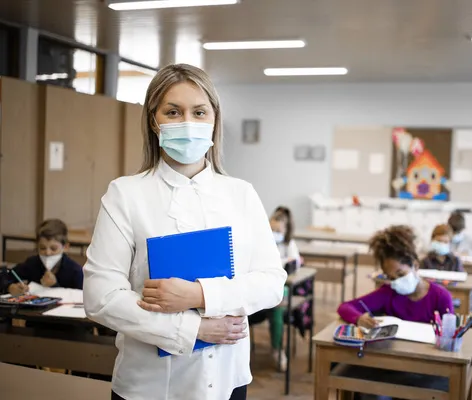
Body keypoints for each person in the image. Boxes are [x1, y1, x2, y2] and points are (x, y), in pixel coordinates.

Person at [83, 64, 287, 400]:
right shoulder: (126, 194)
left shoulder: (241, 193)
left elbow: (271, 283)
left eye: (199, 111)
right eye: (173, 112)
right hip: (148, 384)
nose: (188, 122)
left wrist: (199, 296)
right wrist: (192, 328)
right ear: (154, 120)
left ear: (214, 120)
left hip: (227, 378)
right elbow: (101, 297)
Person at [337, 225, 454, 399]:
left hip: (426, 368)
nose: (396, 281)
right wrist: (359, 318)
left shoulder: (440, 296)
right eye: (390, 277)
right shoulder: (389, 292)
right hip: (393, 364)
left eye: (400, 273)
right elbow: (345, 307)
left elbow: (449, 340)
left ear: (415, 265)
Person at [248, 208, 300, 371]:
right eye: (271, 229)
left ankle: (278, 350)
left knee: (276, 309)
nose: (274, 233)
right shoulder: (261, 242)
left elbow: (294, 264)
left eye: (278, 230)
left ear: (286, 230)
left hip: (280, 289)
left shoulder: (289, 245)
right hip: (259, 289)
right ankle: (242, 351)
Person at [3, 219, 83, 295]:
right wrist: (9, 287)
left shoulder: (75, 271)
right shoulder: (32, 263)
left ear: (65, 247)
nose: (47, 253)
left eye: (53, 249)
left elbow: (81, 298)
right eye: (42, 248)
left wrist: (54, 286)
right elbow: (5, 276)